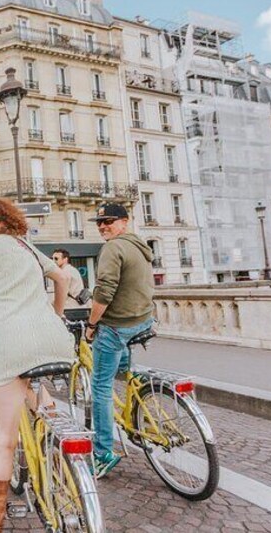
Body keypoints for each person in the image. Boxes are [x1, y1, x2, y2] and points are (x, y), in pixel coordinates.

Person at [0, 198, 73, 533]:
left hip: (14, 343)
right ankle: (65, 470)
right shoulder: (26, 245)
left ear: (3, 220)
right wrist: (57, 315)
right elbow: (61, 280)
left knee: (3, 440)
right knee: (45, 410)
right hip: (54, 340)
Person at [84, 203, 155, 478]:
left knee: (100, 386)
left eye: (109, 221)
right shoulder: (138, 244)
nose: (103, 226)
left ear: (124, 222)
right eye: (99, 222)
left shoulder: (112, 248)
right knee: (124, 371)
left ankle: (102, 453)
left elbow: (104, 293)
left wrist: (91, 326)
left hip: (118, 325)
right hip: (143, 319)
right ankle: (138, 412)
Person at [51, 248, 91, 322]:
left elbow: (62, 294)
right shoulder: (72, 270)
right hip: (78, 308)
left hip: (70, 309)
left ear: (65, 259)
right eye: (52, 259)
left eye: (56, 259)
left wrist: (51, 305)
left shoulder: (65, 272)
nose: (53, 261)